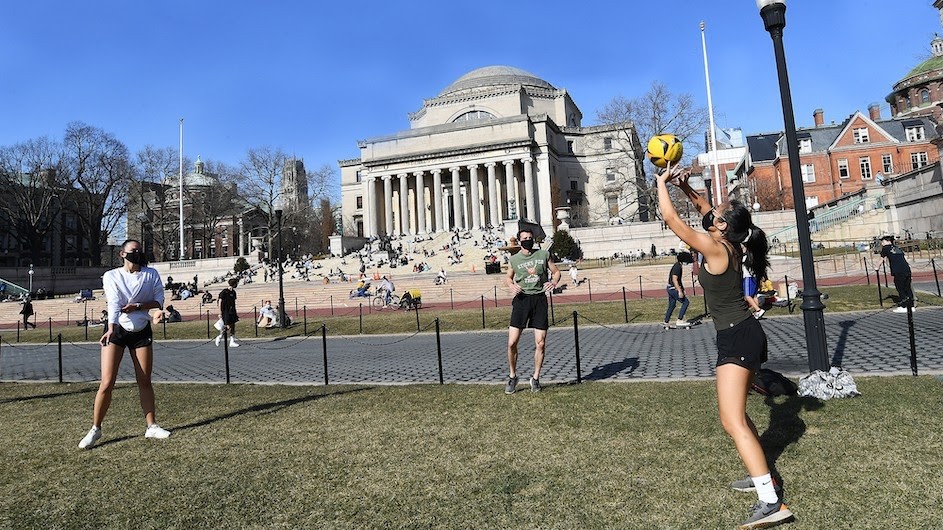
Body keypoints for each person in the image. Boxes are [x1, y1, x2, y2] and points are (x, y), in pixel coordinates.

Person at [656, 166, 793, 529]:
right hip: (742, 334)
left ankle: (771, 502)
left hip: (738, 338)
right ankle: (761, 474)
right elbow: (702, 208)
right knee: (739, 416)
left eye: (715, 214)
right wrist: (684, 184)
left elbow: (671, 218)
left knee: (731, 421)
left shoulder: (716, 248)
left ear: (721, 227)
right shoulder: (729, 239)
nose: (709, 211)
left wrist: (659, 184)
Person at [78, 239, 171, 449]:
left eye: (139, 251)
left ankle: (151, 426)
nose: (136, 254)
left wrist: (139, 306)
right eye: (132, 251)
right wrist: (110, 327)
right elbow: (113, 301)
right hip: (118, 329)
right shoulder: (112, 275)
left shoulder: (151, 274)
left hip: (141, 329)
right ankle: (95, 428)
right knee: (107, 382)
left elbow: (158, 300)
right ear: (122, 254)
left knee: (144, 380)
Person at [504, 228, 561, 394]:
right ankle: (513, 376)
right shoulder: (514, 259)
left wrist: (553, 282)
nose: (528, 240)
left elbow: (556, 271)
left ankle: (535, 378)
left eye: (530, 238)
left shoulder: (543, 255)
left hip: (539, 300)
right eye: (525, 238)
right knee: (512, 342)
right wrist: (511, 285)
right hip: (521, 300)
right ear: (520, 241)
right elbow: (508, 277)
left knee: (541, 343)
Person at [880, 235, 914, 313]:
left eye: (883, 241)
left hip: (898, 271)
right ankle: (911, 305)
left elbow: (881, 259)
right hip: (906, 269)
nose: (882, 243)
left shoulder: (886, 248)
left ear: (888, 241)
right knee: (907, 288)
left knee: (900, 288)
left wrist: (877, 267)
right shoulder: (897, 248)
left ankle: (904, 306)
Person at [664, 251, 693, 328]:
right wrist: (679, 291)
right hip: (673, 289)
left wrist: (682, 289)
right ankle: (679, 320)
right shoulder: (677, 267)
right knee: (686, 302)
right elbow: (675, 279)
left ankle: (666, 321)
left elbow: (679, 280)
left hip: (670, 288)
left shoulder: (677, 265)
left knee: (672, 305)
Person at [215, 278, 240, 347]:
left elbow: (233, 301)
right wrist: (220, 312)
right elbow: (220, 301)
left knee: (233, 326)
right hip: (225, 311)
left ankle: (232, 341)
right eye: (236, 283)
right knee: (227, 326)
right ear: (234, 284)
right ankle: (219, 337)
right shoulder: (224, 292)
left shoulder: (233, 292)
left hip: (232, 311)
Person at [743, 255, 765, 320]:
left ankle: (758, 310)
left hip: (748, 277)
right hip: (754, 277)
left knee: (747, 296)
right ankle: (757, 312)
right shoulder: (754, 257)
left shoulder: (745, 258)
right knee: (754, 295)